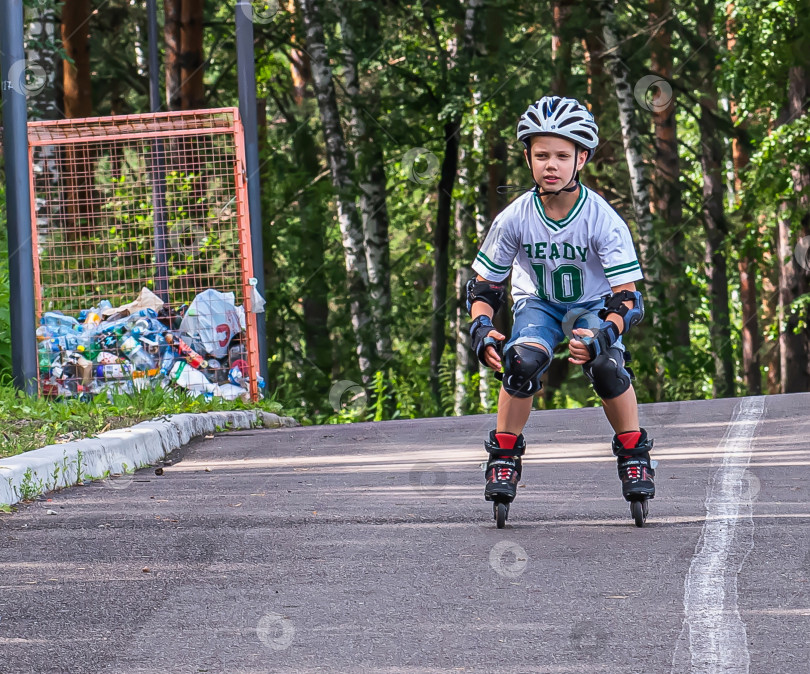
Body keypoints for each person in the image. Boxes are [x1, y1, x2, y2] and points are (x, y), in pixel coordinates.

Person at [467, 95, 655, 522]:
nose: (550, 165)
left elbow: (627, 298)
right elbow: (485, 284)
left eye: (562, 155)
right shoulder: (514, 216)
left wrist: (606, 332)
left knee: (606, 365)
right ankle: (504, 453)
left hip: (592, 304)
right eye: (541, 155)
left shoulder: (602, 218)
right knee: (522, 361)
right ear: (529, 159)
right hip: (539, 304)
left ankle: (633, 451)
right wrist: (481, 325)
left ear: (581, 159)